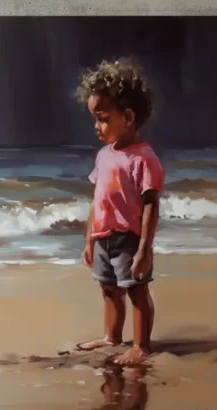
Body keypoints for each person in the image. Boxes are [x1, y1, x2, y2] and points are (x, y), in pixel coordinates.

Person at [75, 58, 164, 366]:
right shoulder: (103, 155)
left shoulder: (143, 158)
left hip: (129, 237)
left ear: (127, 117)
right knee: (109, 289)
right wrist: (89, 239)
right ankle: (112, 336)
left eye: (102, 118)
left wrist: (144, 250)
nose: (96, 127)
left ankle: (142, 345)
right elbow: (96, 200)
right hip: (103, 236)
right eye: (95, 119)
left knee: (136, 291)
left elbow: (151, 206)